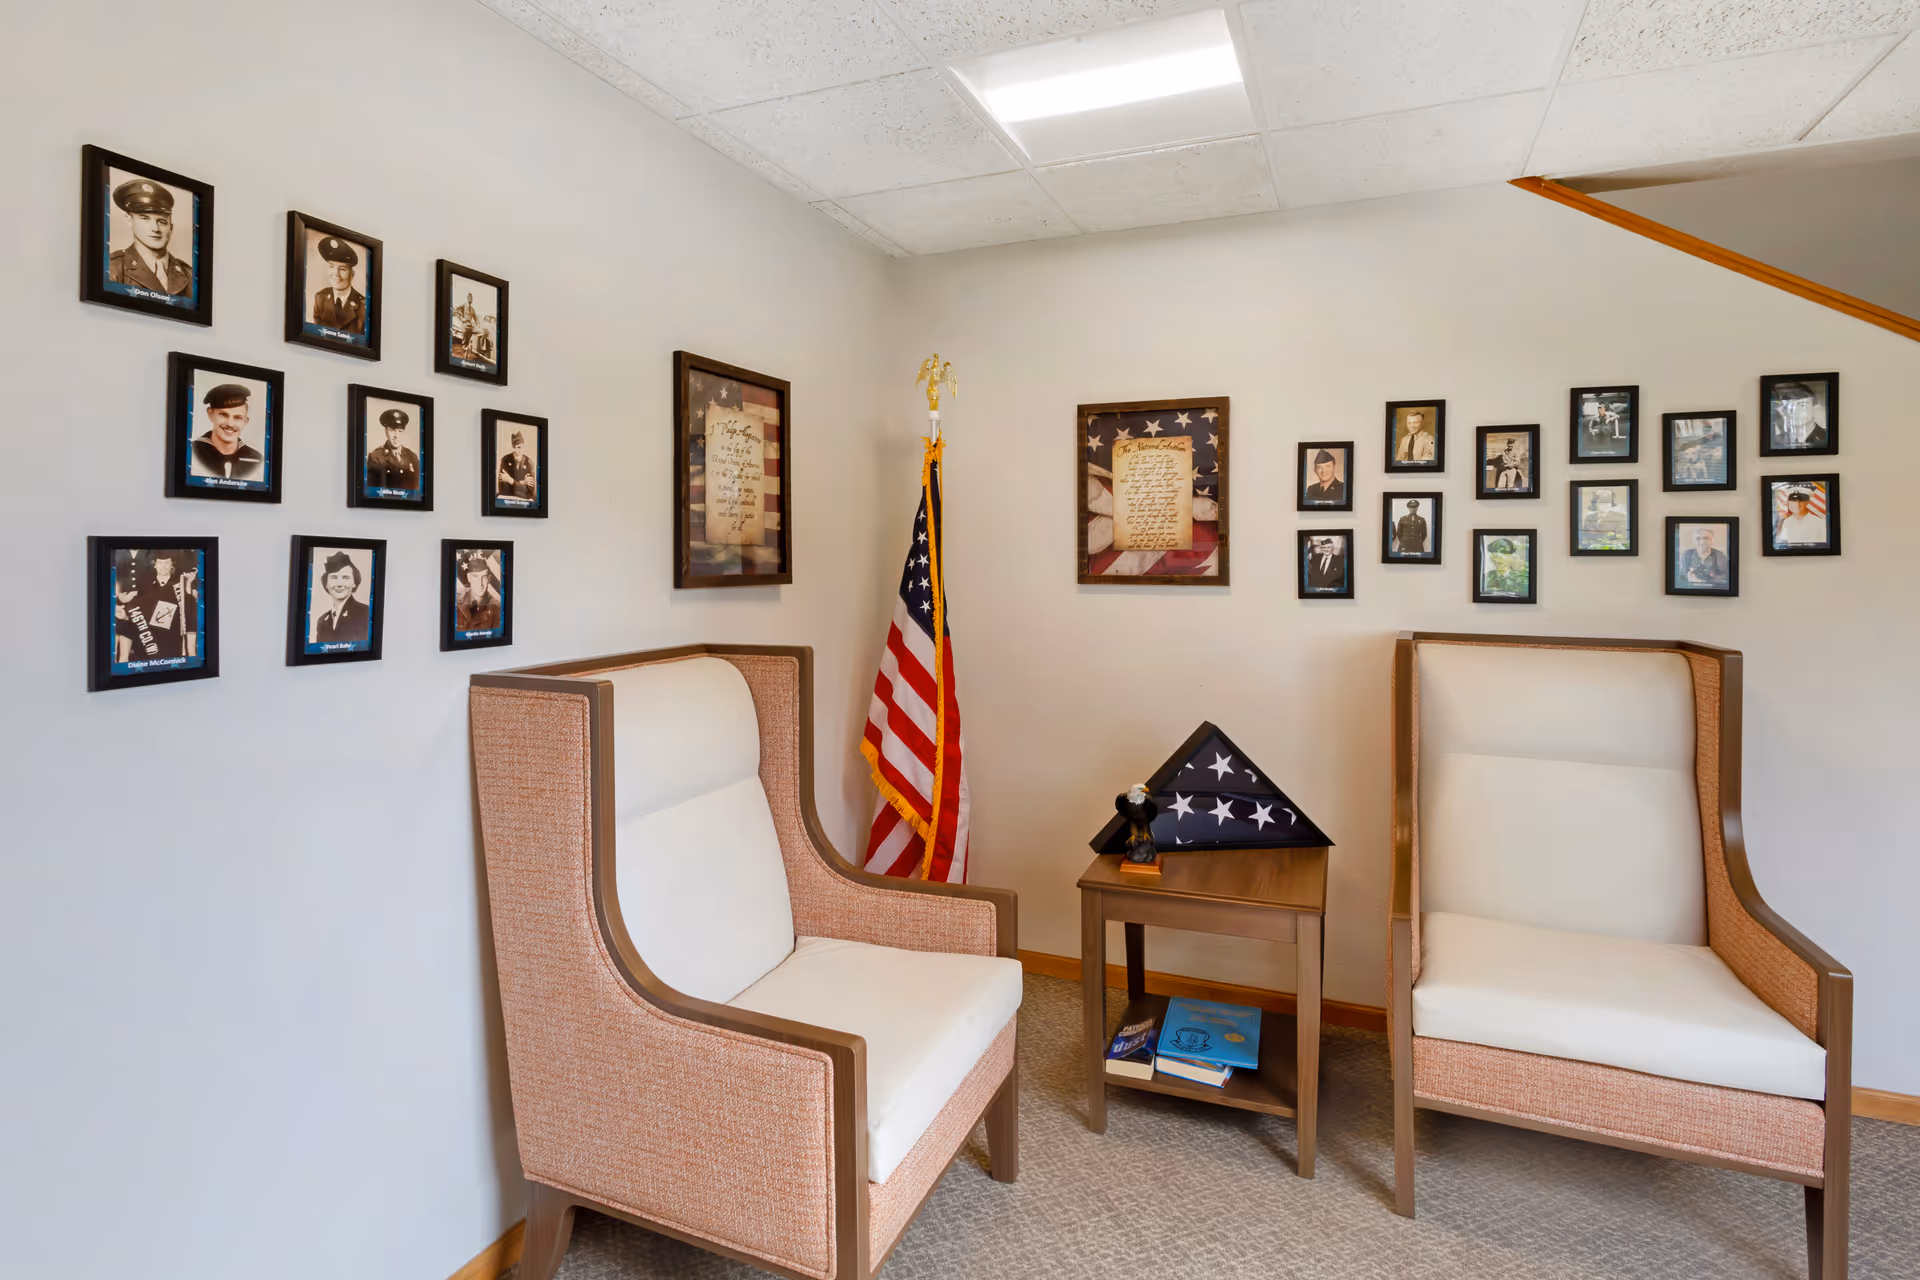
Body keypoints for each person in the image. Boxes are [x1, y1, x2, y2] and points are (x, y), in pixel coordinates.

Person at [106, 178, 191, 296]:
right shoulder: (112, 268)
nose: (155, 229)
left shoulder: (189, 274)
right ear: (130, 221)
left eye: (162, 221)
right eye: (145, 219)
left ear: (171, 227)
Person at [115, 549, 196, 663]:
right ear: (155, 565)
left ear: (172, 566)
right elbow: (130, 621)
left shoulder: (180, 590)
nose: (163, 567)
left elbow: (188, 619)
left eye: (167, 563)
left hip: (171, 650)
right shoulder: (143, 588)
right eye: (160, 563)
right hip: (145, 651)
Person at [191, 383, 264, 482]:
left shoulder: (257, 460)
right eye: (223, 414)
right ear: (210, 414)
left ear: (245, 421)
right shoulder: (192, 453)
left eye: (237, 417)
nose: (230, 423)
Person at [312, 551, 371, 646]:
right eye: (334, 577)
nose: (339, 584)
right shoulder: (322, 621)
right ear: (326, 584)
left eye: (345, 577)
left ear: (354, 583)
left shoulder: (365, 613)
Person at [310, 236, 365, 334]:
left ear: (352, 275)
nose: (336, 274)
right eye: (331, 266)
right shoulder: (320, 298)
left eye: (342, 269)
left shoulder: (363, 306)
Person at [365, 408, 420, 492]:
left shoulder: (413, 457)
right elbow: (373, 491)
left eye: (400, 431)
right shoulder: (376, 457)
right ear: (386, 431)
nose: (396, 436)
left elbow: (417, 489)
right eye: (392, 430)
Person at [454, 550, 502, 633]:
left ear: (489, 579)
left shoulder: (497, 609)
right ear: (469, 577)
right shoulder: (456, 602)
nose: (481, 584)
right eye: (476, 577)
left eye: (484, 577)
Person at [1772, 382, 1827, 449]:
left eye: (1802, 405)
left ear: (1814, 408)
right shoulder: (1775, 441)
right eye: (1789, 405)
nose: (1794, 410)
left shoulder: (1826, 438)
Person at [497, 431, 535, 498]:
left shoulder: (529, 463)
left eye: (519, 447)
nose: (517, 451)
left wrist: (511, 481)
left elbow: (529, 492)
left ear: (523, 447)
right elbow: (503, 490)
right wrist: (522, 483)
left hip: (524, 502)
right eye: (514, 447)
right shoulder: (505, 460)